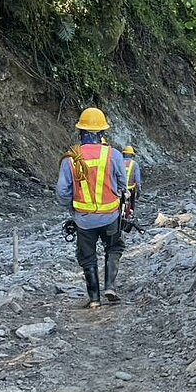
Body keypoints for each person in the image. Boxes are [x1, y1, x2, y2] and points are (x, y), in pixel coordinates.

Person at [55, 107, 128, 309]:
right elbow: (123, 183)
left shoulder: (71, 158)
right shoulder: (113, 155)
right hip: (110, 216)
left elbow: (62, 191)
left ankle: (94, 298)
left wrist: (72, 208)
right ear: (102, 133)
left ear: (81, 132)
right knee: (114, 247)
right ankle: (110, 286)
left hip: (84, 220)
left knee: (87, 257)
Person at [121, 145, 142, 216]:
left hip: (120, 189)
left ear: (123, 154)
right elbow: (137, 180)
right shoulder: (134, 164)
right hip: (130, 189)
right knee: (131, 203)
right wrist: (139, 191)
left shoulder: (118, 162)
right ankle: (130, 214)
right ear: (132, 155)